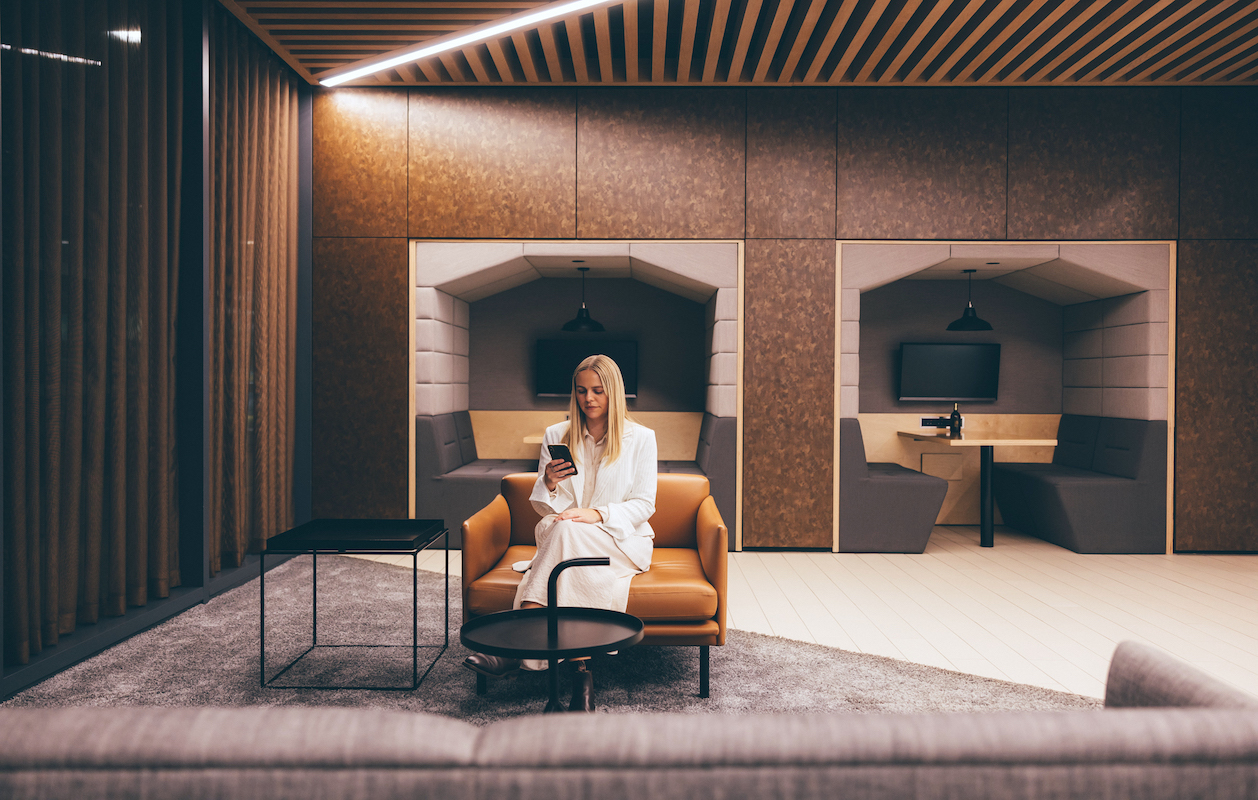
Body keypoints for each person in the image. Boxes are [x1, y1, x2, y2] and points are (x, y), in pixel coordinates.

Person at [463, 354, 657, 708]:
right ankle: (581, 672)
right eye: (581, 391)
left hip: (619, 540)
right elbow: (544, 506)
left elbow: (644, 504)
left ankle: (514, 642)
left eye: (598, 391)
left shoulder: (642, 438)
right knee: (564, 533)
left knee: (565, 533)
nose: (589, 399)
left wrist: (596, 513)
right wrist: (548, 482)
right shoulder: (556, 434)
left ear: (614, 392)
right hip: (565, 534)